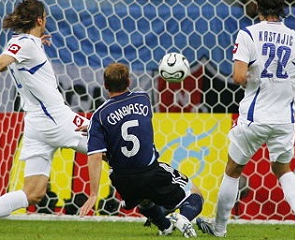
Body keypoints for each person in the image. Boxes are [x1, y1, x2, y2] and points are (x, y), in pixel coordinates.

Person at [195, 0, 295, 238]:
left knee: (233, 170)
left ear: (256, 5)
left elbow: (237, 77)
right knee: (283, 169)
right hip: (284, 119)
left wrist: (257, 74)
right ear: (283, 7)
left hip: (254, 116)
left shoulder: (248, 34)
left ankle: (220, 228)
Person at [0, 0, 89, 234]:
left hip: (36, 125)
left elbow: (9, 63)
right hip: (57, 120)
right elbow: (2, 61)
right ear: (40, 20)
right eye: (45, 17)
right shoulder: (26, 44)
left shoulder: (25, 43)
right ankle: (162, 212)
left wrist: (37, 43)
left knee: (34, 192)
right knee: (113, 146)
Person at [79, 62, 203, 238]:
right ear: (129, 82)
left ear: (105, 85)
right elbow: (130, 120)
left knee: (143, 200)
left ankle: (165, 226)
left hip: (123, 181)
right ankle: (183, 217)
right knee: (195, 196)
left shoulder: (98, 116)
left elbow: (96, 156)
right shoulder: (143, 98)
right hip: (151, 171)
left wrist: (93, 194)